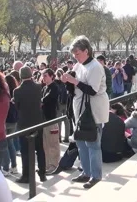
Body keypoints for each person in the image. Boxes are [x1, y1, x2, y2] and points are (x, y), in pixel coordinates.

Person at [61, 36, 109, 189]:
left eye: (77, 53)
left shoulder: (95, 66)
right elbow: (76, 85)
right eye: (74, 54)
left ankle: (95, 175)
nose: (75, 57)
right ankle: (86, 172)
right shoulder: (79, 65)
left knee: (93, 143)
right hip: (80, 109)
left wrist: (74, 81)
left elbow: (93, 90)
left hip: (93, 111)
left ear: (86, 51)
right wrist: (67, 79)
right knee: (81, 142)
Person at [13, 66, 46, 183]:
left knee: (25, 151)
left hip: (24, 123)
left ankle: (27, 175)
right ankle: (42, 173)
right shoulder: (38, 87)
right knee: (40, 148)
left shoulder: (17, 91)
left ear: (20, 76)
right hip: (37, 121)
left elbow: (17, 107)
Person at [41, 68, 61, 175]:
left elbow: (46, 100)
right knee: (45, 144)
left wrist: (41, 101)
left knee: (53, 143)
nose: (43, 78)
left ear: (51, 76)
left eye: (45, 76)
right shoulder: (44, 88)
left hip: (51, 120)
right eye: (43, 76)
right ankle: (47, 164)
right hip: (44, 120)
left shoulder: (54, 87)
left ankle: (54, 165)